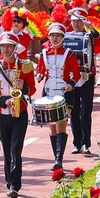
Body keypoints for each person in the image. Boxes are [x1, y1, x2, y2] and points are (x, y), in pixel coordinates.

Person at [0, 34, 35, 198]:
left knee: (16, 149)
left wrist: (24, 87)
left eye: (9, 46)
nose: (6, 49)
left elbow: (33, 90)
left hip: (19, 112)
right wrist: (3, 101)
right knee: (7, 149)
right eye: (3, 46)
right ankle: (10, 182)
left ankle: (15, 185)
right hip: (2, 114)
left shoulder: (25, 66)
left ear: (15, 48)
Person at [36, 22, 81, 171]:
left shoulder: (70, 53)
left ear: (62, 37)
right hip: (49, 93)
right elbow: (41, 71)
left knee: (61, 125)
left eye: (57, 36)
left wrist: (71, 84)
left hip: (65, 93)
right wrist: (39, 75)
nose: (54, 38)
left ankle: (58, 160)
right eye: (52, 35)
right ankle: (56, 157)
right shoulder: (43, 54)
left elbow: (77, 74)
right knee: (52, 128)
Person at [64, 7, 96, 156]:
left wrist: (92, 29)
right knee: (73, 111)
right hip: (71, 78)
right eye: (74, 21)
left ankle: (86, 143)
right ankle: (77, 143)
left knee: (85, 111)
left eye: (79, 21)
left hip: (87, 77)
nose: (76, 24)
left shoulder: (90, 35)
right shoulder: (66, 36)